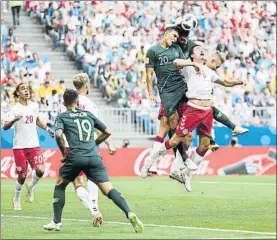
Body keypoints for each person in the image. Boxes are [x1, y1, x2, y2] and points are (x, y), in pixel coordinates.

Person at [43, 89, 143, 233]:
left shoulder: (62, 116)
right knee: (108, 189)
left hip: (75, 156)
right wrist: (93, 143)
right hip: (94, 156)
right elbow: (107, 131)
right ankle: (129, 212)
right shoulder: (88, 115)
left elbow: (58, 134)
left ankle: (56, 222)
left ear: (64, 103)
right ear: (77, 101)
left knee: (60, 185)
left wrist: (64, 152)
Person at [160, 46, 243, 192]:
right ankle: (170, 166)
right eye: (216, 64)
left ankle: (187, 173)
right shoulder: (194, 66)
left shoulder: (211, 74)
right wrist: (192, 64)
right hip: (188, 105)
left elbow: (223, 82)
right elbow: (177, 63)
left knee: (203, 145)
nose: (217, 67)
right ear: (212, 59)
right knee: (186, 137)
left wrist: (234, 82)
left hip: (204, 110)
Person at [142, 26, 198, 178]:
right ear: (165, 34)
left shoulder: (176, 49)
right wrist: (151, 92)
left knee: (182, 131)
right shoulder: (153, 51)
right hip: (167, 93)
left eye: (176, 37)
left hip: (182, 90)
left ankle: (168, 163)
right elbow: (148, 74)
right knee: (167, 126)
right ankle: (173, 162)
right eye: (173, 36)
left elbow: (182, 64)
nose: (174, 39)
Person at [69, 73, 117, 218]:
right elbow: (99, 127)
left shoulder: (67, 102)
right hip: (88, 144)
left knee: (77, 182)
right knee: (93, 176)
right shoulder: (90, 104)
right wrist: (109, 144)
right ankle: (94, 203)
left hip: (71, 145)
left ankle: (93, 210)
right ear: (87, 85)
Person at [3, 83, 54, 210]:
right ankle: (16, 198)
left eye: (27, 89)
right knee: (22, 176)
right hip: (19, 146)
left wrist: (48, 129)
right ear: (18, 93)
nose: (26, 90)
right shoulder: (14, 109)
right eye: (22, 89)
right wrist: (14, 119)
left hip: (34, 145)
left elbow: (37, 120)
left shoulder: (34, 106)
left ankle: (31, 186)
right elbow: (5, 126)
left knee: (41, 170)